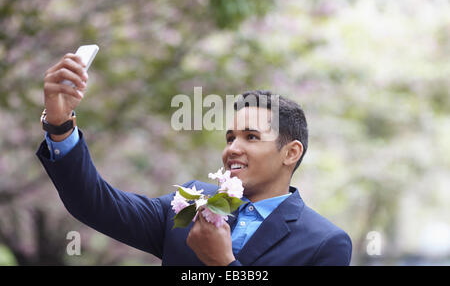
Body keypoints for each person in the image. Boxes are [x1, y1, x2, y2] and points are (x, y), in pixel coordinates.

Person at [36, 53, 352, 266]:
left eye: (251, 137)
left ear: (291, 152)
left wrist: (225, 265)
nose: (232, 149)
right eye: (230, 138)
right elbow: (95, 204)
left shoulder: (324, 243)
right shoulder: (191, 201)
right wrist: (60, 126)